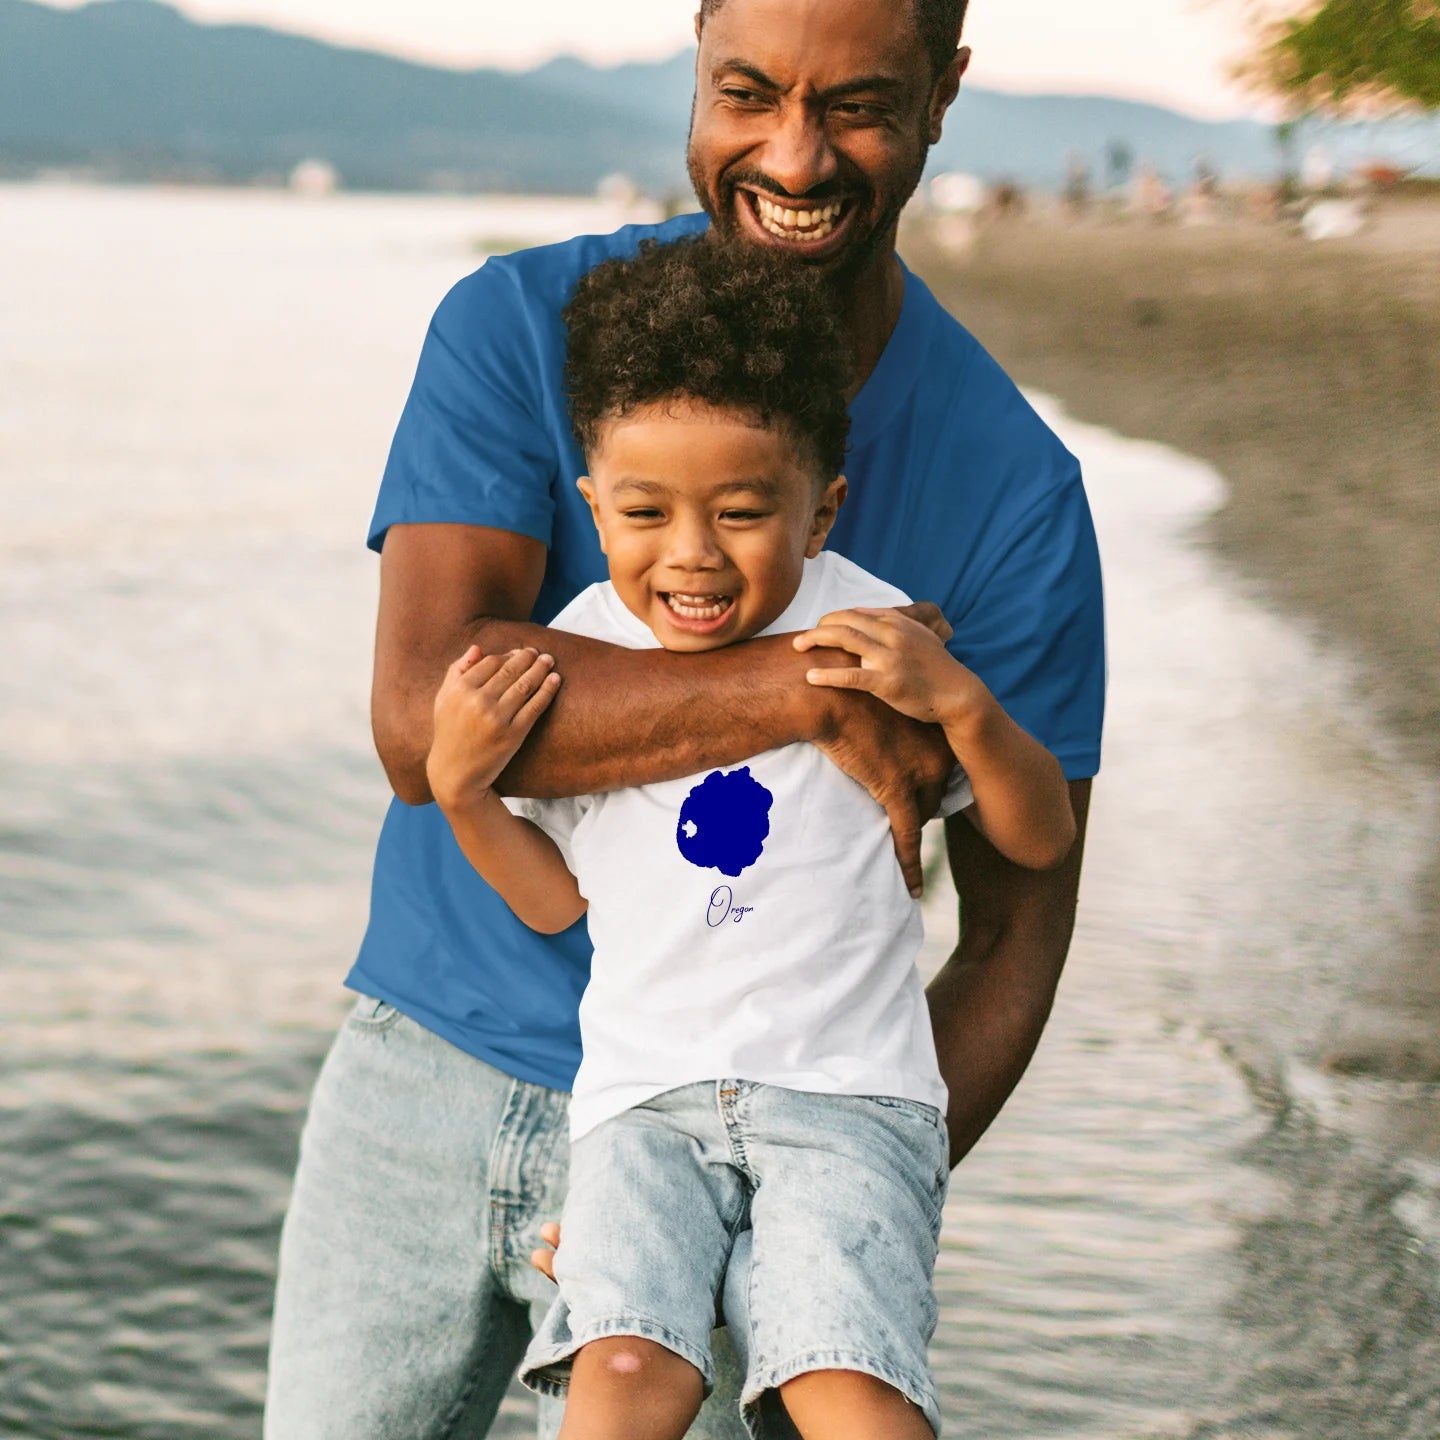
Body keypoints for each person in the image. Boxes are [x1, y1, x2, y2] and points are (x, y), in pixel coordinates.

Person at [263, 1, 1105, 1435]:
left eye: (855, 104)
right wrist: (808, 691)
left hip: (755, 1135)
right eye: (748, 92)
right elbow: (422, 725)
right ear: (697, 70)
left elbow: (1021, 920)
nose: (793, 152)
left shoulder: (1014, 488)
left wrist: (832, 1199)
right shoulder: (518, 329)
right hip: (427, 1074)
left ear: (945, 92)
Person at [426, 236, 1077, 1440]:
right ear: (592, 505)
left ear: (820, 506)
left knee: (846, 1385)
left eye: (740, 511)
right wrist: (465, 796)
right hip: (645, 1106)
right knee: (622, 1378)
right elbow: (555, 903)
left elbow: (1034, 842)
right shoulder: (575, 652)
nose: (691, 554)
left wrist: (967, 709)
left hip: (848, 1098)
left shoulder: (880, 637)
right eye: (643, 512)